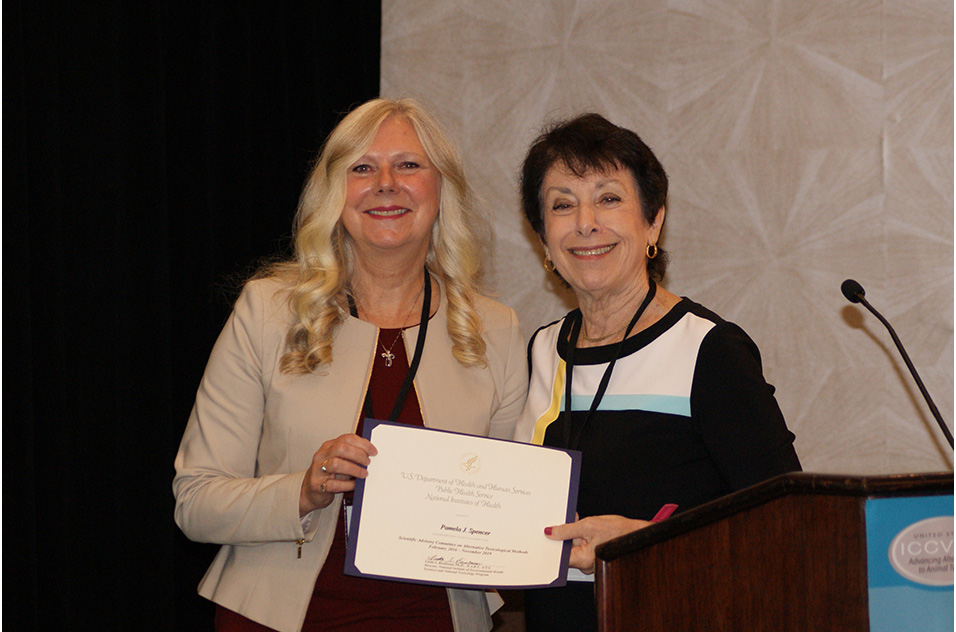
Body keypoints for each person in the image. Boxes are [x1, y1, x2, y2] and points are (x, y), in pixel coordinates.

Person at [173, 98, 528, 632]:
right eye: (361, 167)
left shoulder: (496, 329)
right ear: (334, 194)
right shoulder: (267, 311)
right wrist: (304, 490)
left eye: (409, 164)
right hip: (276, 618)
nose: (386, 183)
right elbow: (196, 500)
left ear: (442, 190)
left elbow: (509, 514)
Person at [514, 113, 801, 631]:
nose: (585, 222)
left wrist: (641, 542)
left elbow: (786, 525)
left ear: (653, 222)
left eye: (608, 198)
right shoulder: (541, 350)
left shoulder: (708, 350)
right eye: (562, 204)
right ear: (543, 239)